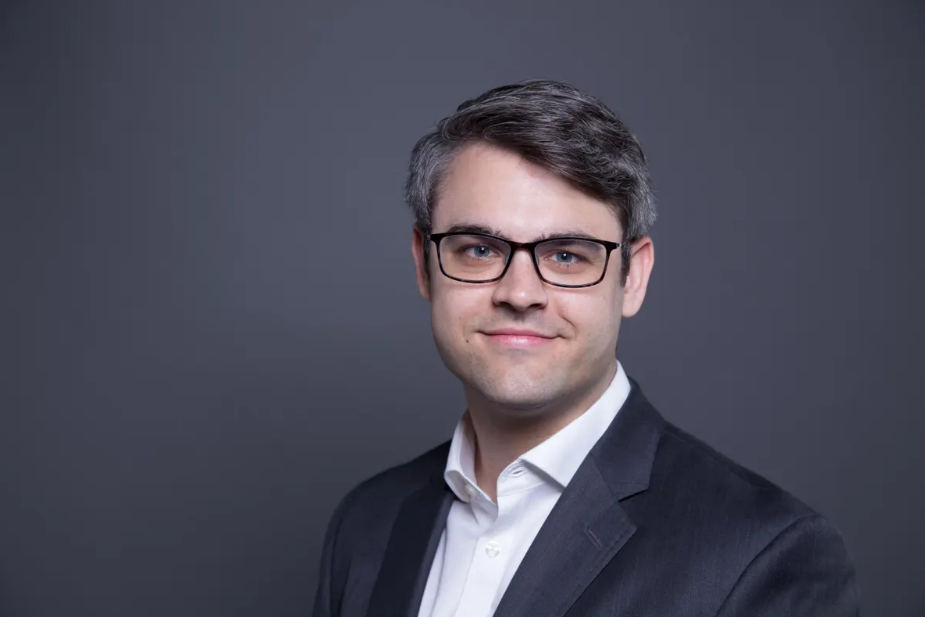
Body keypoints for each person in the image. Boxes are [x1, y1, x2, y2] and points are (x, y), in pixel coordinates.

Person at [311, 80, 859, 617]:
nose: (519, 293)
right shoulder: (368, 522)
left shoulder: (764, 555)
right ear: (424, 264)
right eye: (478, 249)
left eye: (566, 256)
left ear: (633, 277)